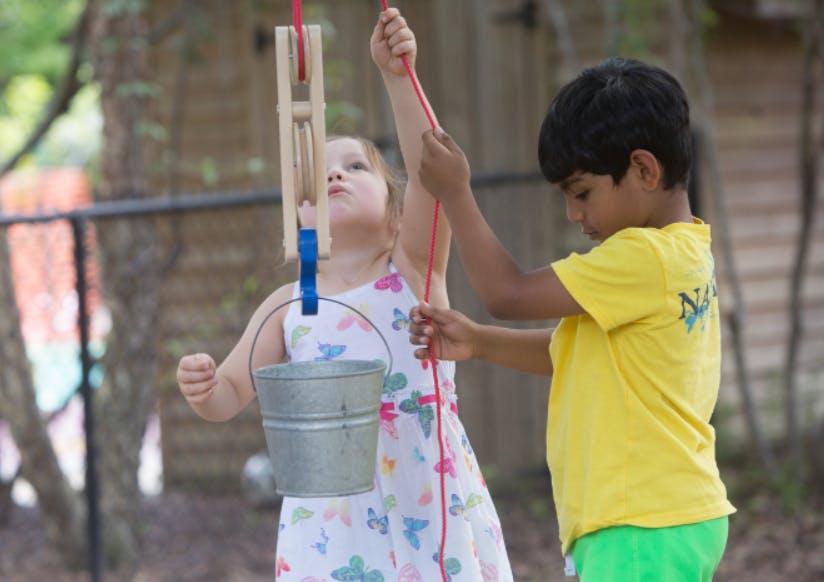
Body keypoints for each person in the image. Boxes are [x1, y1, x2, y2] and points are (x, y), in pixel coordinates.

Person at [176, 8, 513, 581]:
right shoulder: (289, 306)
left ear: (396, 207)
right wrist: (204, 389)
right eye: (320, 172)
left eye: (356, 166)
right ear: (300, 214)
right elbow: (233, 391)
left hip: (428, 499)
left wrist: (397, 76)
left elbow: (431, 167)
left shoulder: (412, 270)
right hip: (331, 521)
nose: (335, 175)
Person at [409, 57, 736, 581]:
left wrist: (455, 193)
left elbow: (506, 293)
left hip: (637, 526)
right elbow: (578, 353)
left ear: (645, 170)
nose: (573, 214)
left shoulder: (642, 257)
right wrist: (479, 343)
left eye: (581, 193)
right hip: (668, 516)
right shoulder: (682, 253)